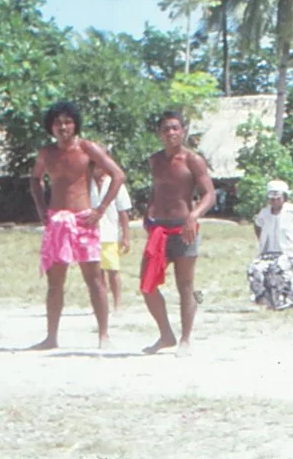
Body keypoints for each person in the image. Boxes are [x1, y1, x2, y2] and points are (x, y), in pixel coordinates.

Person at [29, 101, 125, 350]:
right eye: (58, 122)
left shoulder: (87, 148)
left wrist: (101, 209)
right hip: (57, 220)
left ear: (75, 124)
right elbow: (35, 179)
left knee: (94, 280)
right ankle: (51, 337)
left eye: (68, 122)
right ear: (51, 126)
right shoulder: (46, 153)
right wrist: (41, 209)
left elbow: (118, 175)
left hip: (83, 219)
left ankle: (103, 335)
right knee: (54, 282)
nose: (63, 127)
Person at [140, 110, 215, 356]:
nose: (170, 133)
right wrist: (148, 211)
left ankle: (185, 339)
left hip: (184, 228)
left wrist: (193, 216)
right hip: (159, 227)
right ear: (159, 134)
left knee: (185, 285)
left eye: (175, 128)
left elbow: (209, 194)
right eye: (165, 129)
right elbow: (157, 189)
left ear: (183, 131)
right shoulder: (156, 160)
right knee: (147, 284)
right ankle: (166, 334)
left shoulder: (193, 160)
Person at [248, 180, 293, 311]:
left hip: (288, 253)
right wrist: (262, 240)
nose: (274, 201)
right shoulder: (264, 213)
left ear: (284, 197)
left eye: (278, 198)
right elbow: (257, 224)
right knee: (254, 269)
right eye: (272, 199)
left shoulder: (292, 210)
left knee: (278, 268)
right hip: (268, 253)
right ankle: (265, 301)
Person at [90, 171, 133, 311]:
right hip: (91, 234)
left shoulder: (115, 183)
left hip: (110, 233)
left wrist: (126, 236)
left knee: (113, 270)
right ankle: (101, 305)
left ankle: (117, 304)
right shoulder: (86, 181)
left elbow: (123, 211)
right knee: (96, 272)